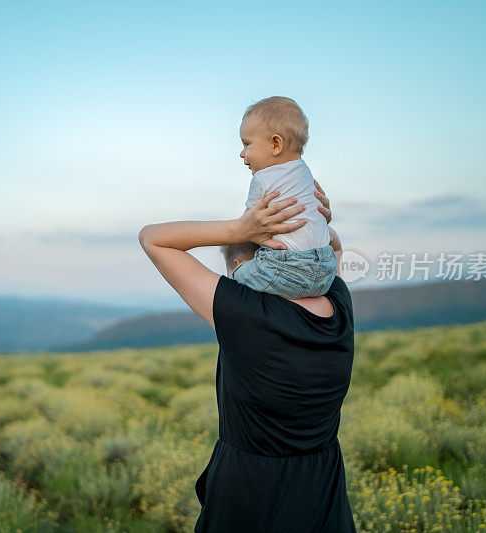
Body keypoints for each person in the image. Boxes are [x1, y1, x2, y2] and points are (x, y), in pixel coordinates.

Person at [138, 182, 356, 532]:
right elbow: (334, 253)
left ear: (238, 265)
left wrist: (240, 228)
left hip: (249, 495)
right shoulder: (339, 305)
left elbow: (152, 238)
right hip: (323, 492)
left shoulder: (244, 313)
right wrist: (313, 223)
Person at [234, 96, 336, 299]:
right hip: (326, 269)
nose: (242, 153)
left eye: (247, 144)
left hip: (286, 267)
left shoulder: (263, 178)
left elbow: (246, 225)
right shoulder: (305, 172)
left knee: (237, 276)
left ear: (275, 144)